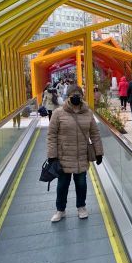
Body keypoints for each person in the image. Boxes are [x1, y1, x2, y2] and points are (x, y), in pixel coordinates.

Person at [47, 85, 104, 223]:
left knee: (81, 184)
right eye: (73, 95)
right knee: (62, 185)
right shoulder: (58, 113)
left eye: (79, 95)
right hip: (63, 156)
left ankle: (81, 207)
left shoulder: (88, 113)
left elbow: (95, 134)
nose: (76, 97)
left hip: (81, 156)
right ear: (68, 97)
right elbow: (51, 135)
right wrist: (52, 156)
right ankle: (60, 210)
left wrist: (99, 152)